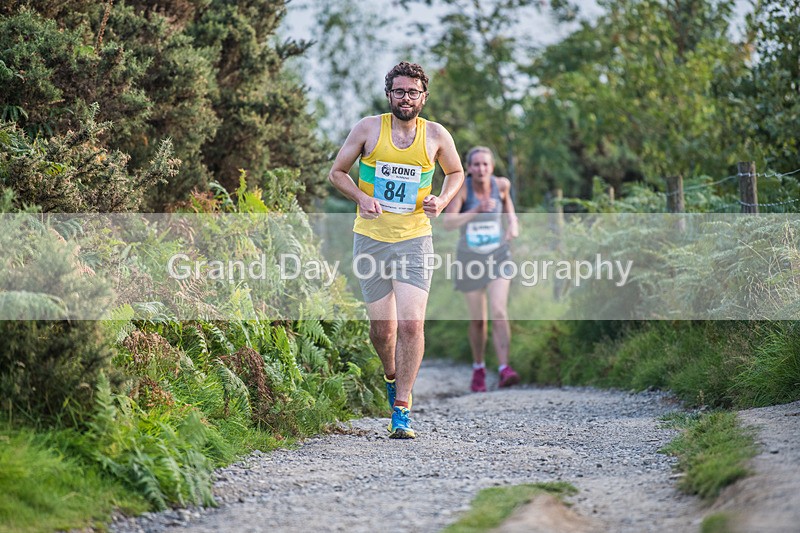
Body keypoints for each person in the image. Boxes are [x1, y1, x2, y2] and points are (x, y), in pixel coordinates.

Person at [328, 61, 464, 439]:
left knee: (411, 324)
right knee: (382, 330)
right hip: (371, 238)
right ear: (389, 94)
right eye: (400, 91)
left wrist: (443, 199)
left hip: (415, 238)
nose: (406, 98)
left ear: (424, 97)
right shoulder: (369, 129)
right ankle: (390, 374)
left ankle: (401, 408)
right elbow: (337, 172)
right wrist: (360, 196)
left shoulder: (436, 135)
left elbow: (456, 173)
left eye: (413, 92)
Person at [443, 146, 520, 392]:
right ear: (469, 168)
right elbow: (448, 222)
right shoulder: (463, 189)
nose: (481, 169)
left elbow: (508, 205)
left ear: (492, 167)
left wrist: (513, 224)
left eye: (485, 164)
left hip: (498, 256)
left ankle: (504, 368)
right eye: (476, 164)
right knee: (478, 320)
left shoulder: (502, 185)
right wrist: (476, 210)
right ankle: (479, 369)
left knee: (499, 311)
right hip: (470, 260)